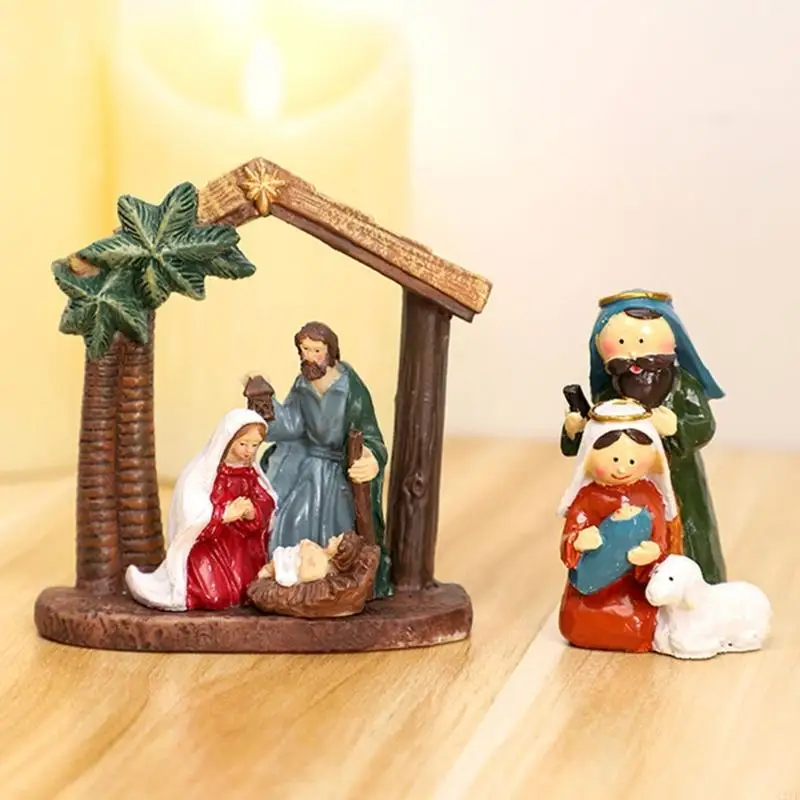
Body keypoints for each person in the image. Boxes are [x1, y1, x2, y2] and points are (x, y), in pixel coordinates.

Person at [560, 289, 727, 584]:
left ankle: (699, 585)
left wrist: (675, 427)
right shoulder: (610, 394)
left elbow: (704, 425)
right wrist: (575, 430)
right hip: (624, 489)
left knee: (688, 530)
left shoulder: (684, 387)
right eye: (621, 344)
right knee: (632, 542)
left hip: (680, 478)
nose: (634, 356)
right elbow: (594, 443)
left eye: (641, 342)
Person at [260, 321, 392, 598]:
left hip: (337, 472)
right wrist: (266, 406)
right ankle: (290, 579)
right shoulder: (302, 384)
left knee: (340, 534)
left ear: (330, 351)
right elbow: (292, 424)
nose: (309, 356)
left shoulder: (350, 386)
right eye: (304, 349)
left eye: (316, 350)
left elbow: (370, 434)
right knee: (291, 518)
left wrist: (371, 458)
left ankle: (338, 587)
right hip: (307, 469)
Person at [558, 399, 681, 653]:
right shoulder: (588, 497)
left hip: (631, 589)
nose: (623, 468)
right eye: (614, 459)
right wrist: (577, 541)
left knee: (638, 622)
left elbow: (660, 539)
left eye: (633, 461)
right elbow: (569, 536)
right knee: (577, 619)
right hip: (591, 592)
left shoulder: (649, 496)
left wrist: (651, 553)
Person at [125, 409, 276, 611]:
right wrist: (223, 514)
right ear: (228, 440)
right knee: (214, 595)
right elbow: (191, 509)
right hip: (210, 543)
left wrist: (254, 511)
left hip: (241, 546)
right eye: (243, 444)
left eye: (255, 445)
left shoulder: (251, 474)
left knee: (247, 590)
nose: (249, 450)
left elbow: (266, 500)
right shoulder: (205, 473)